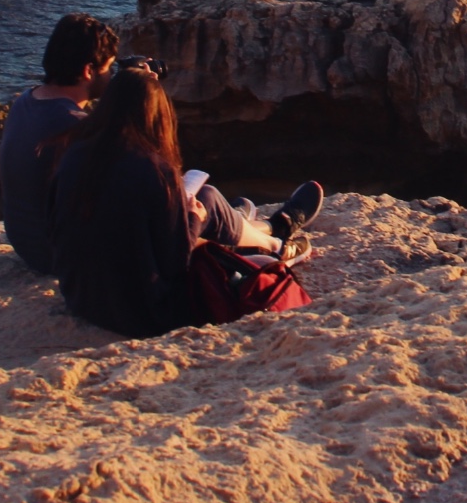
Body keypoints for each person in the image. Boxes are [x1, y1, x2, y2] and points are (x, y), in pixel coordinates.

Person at [46, 67, 322, 338]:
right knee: (211, 207)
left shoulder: (74, 153)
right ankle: (276, 240)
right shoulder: (152, 169)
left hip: (81, 298)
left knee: (207, 199)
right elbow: (173, 262)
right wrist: (193, 220)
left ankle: (263, 230)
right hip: (143, 315)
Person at [0, 14, 122, 273]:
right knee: (204, 199)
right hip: (60, 257)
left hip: (26, 244)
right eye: (108, 68)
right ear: (88, 71)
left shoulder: (25, 100)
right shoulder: (76, 127)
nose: (111, 75)